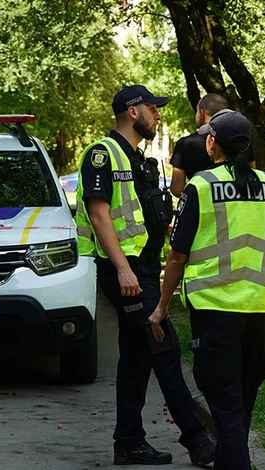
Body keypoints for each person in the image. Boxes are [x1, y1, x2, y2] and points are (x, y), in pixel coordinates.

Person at [148, 110, 265, 469]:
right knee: (240, 404)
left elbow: (177, 257)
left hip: (216, 310)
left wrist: (162, 306)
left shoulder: (200, 186)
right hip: (262, 311)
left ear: (211, 143)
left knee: (227, 409)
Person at [74, 84, 215, 466]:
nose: (158, 115)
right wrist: (122, 269)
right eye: (153, 108)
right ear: (133, 112)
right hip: (128, 271)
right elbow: (99, 214)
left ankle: (129, 442)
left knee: (137, 357)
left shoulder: (138, 158)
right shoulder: (103, 155)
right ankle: (199, 441)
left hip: (145, 267)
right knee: (164, 347)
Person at [170, 93, 255, 197]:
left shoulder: (185, 144)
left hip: (201, 207)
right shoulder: (241, 141)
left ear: (211, 143)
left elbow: (177, 189)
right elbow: (251, 174)